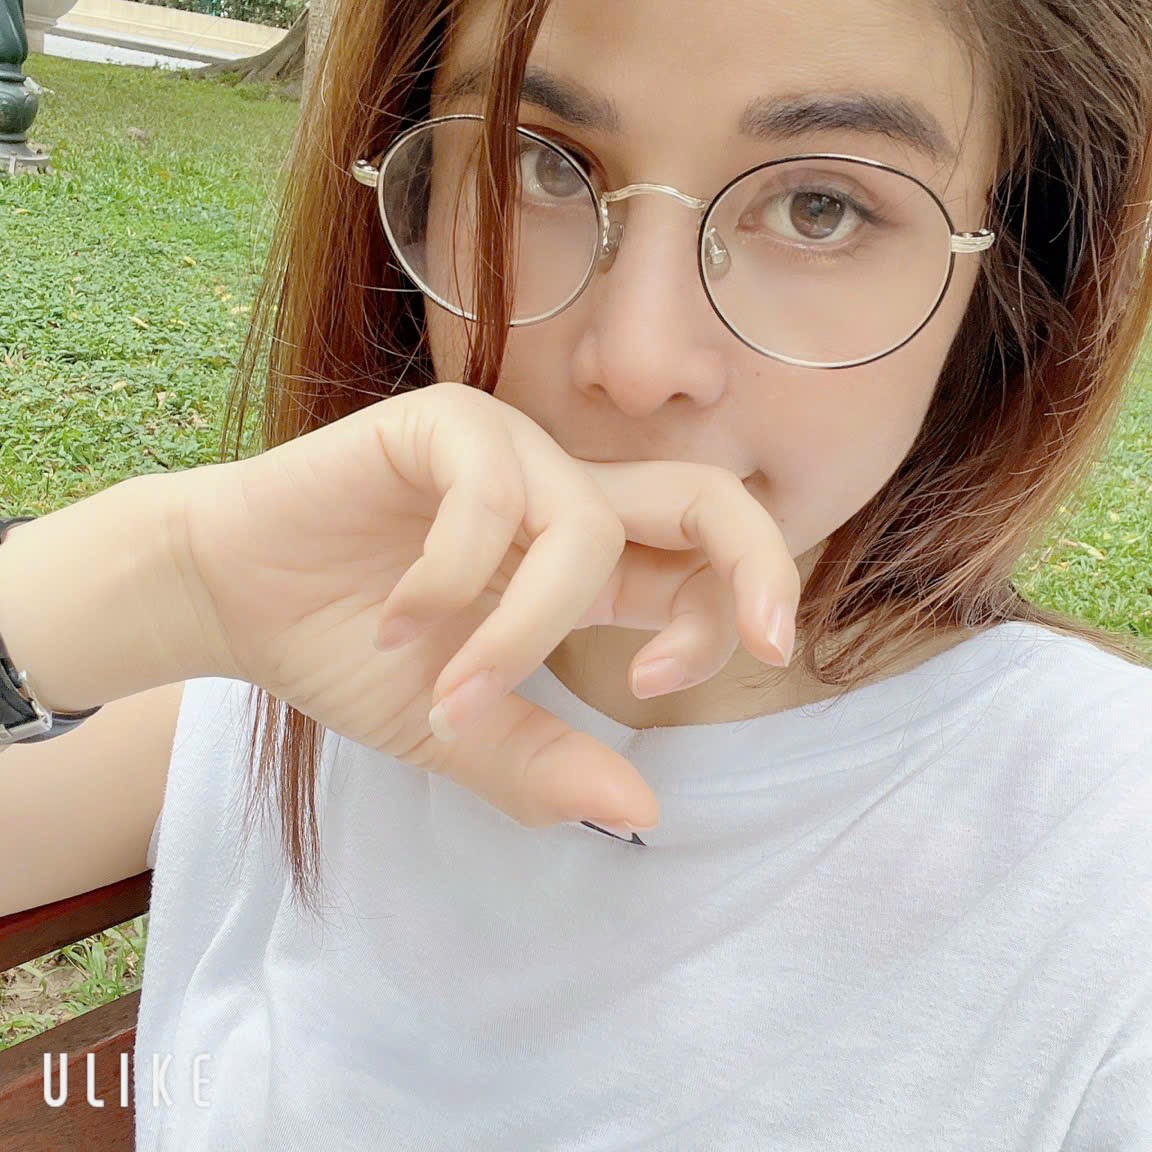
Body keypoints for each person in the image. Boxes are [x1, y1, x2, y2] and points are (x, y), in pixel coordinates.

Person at [1, 0, 1150, 1146]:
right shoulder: (307, 659)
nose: (637, 360)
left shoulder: (1106, 865)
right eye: (541, 165)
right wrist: (172, 577)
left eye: (821, 207)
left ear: (1016, 263)